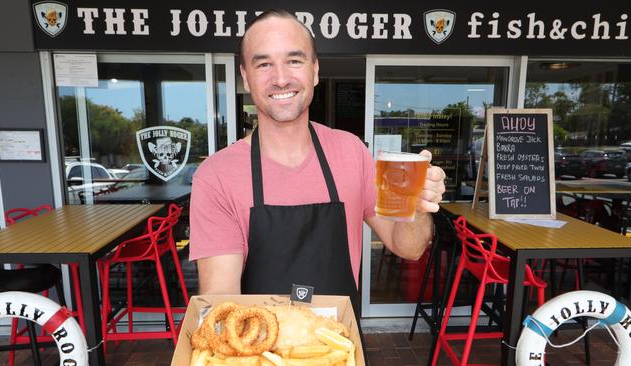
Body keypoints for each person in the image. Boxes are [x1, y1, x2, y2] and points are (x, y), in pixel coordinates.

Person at [189, 10, 446, 310]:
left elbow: (410, 248)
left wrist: (414, 207)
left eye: (294, 60)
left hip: (339, 346)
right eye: (264, 64)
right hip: (261, 349)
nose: (281, 78)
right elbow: (221, 299)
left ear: (314, 70)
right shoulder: (216, 176)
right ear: (246, 77)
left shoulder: (352, 153)